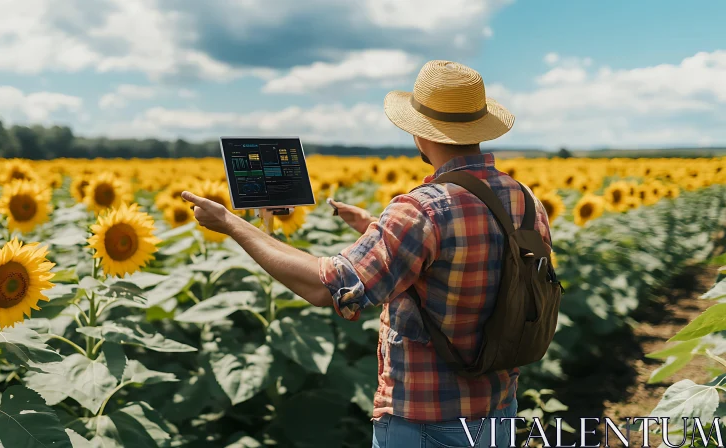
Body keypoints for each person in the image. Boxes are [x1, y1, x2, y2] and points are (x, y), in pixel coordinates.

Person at [182, 60, 553, 448]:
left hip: (425, 422)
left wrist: (231, 223)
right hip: (499, 412)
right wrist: (374, 227)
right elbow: (478, 258)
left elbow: (327, 288)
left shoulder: (422, 211)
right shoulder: (525, 201)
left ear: (417, 131)